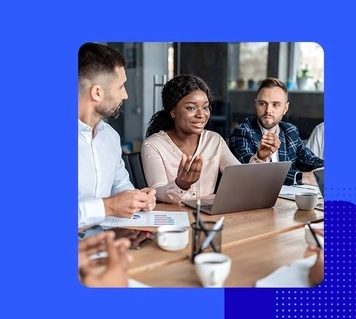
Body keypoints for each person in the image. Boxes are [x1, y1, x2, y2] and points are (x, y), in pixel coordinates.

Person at [141, 74, 266, 204]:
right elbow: (156, 191)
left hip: (208, 216)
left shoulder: (214, 140)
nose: (201, 114)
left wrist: (260, 158)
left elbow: (241, 178)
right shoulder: (153, 144)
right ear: (173, 111)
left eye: (205, 107)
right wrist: (180, 185)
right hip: (174, 218)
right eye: (191, 108)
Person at [78, 42, 156, 227]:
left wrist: (137, 199)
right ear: (97, 92)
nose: (126, 95)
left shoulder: (110, 136)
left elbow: (120, 184)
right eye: (121, 86)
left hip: (108, 240)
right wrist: (109, 207)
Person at [228, 77, 324, 186]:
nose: (268, 110)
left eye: (275, 104)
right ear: (256, 104)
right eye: (262, 104)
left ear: (285, 108)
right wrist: (300, 177)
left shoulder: (289, 131)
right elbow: (254, 173)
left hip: (288, 200)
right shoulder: (242, 132)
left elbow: (310, 160)